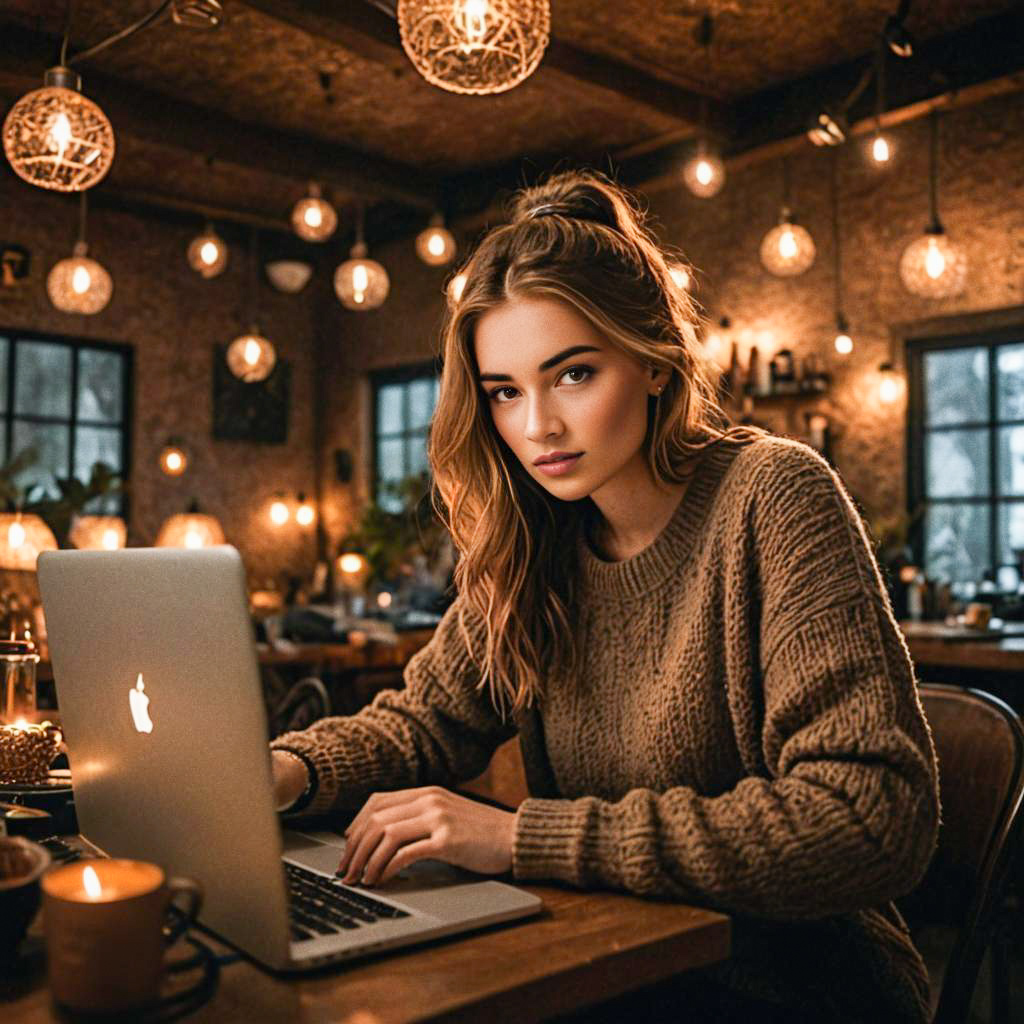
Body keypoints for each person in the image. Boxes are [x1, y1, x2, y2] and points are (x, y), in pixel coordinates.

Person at [271, 171, 940, 1023]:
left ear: (655, 362)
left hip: (796, 988)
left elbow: (871, 817)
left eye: (574, 375)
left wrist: (520, 837)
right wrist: (285, 772)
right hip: (616, 968)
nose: (537, 427)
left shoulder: (773, 495)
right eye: (504, 391)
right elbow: (422, 721)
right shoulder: (536, 537)